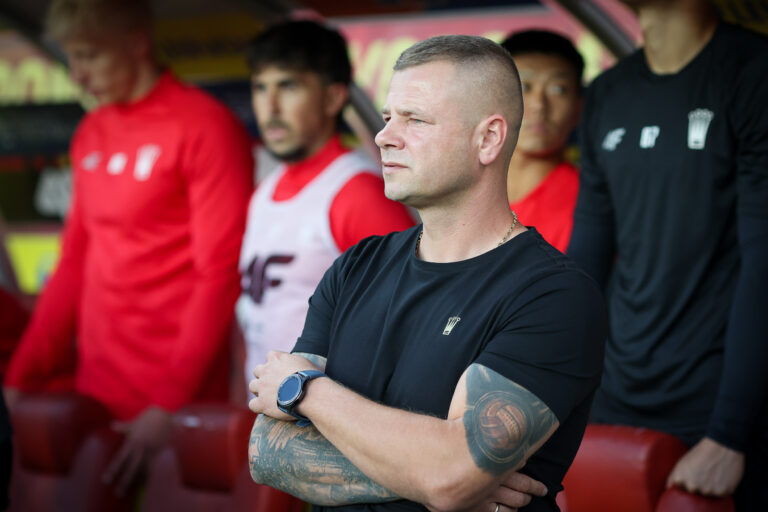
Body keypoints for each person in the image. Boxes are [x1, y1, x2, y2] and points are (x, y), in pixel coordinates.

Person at [247, 35, 607, 512]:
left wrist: (305, 391)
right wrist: (436, 476)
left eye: (415, 119)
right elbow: (268, 454)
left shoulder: (555, 295)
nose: (384, 136)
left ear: (488, 139)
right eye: (388, 117)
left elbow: (450, 476)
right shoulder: (356, 267)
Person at [3, 0, 254, 496]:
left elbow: (219, 274)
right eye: (69, 56)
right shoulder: (91, 131)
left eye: (89, 55)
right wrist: (19, 378)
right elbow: (73, 265)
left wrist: (169, 404)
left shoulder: (205, 126)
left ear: (137, 44)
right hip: (94, 399)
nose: (76, 73)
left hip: (174, 405)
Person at [567, 0, 768, 507]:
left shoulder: (752, 72)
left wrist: (731, 433)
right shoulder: (610, 91)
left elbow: (764, 263)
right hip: (611, 395)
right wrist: (548, 397)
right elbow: (584, 265)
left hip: (715, 405)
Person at [236, 20, 414, 390]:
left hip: (329, 423)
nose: (270, 106)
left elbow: (405, 323)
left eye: (288, 86)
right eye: (260, 87)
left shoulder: (358, 191)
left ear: (334, 97)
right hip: (271, 414)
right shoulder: (265, 190)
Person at [500, 30, 583, 253]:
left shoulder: (586, 205)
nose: (539, 104)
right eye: (525, 87)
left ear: (579, 108)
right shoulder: (462, 193)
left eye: (558, 89)